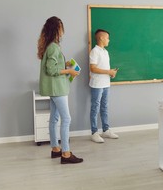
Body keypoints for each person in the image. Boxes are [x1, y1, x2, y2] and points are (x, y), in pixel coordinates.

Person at [37, 16, 83, 164]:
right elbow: (51, 69)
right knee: (66, 119)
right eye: (61, 27)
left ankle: (55, 149)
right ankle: (66, 153)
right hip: (58, 89)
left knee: (54, 118)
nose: (63, 30)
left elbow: (53, 65)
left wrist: (66, 63)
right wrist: (69, 71)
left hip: (53, 88)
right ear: (56, 29)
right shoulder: (54, 47)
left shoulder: (50, 46)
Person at [89, 29, 119, 143]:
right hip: (97, 84)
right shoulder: (94, 51)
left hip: (106, 83)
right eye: (107, 38)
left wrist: (111, 74)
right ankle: (94, 132)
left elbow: (105, 68)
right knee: (95, 107)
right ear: (101, 38)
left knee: (104, 107)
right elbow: (93, 68)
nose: (109, 40)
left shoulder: (105, 52)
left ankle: (106, 130)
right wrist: (108, 72)